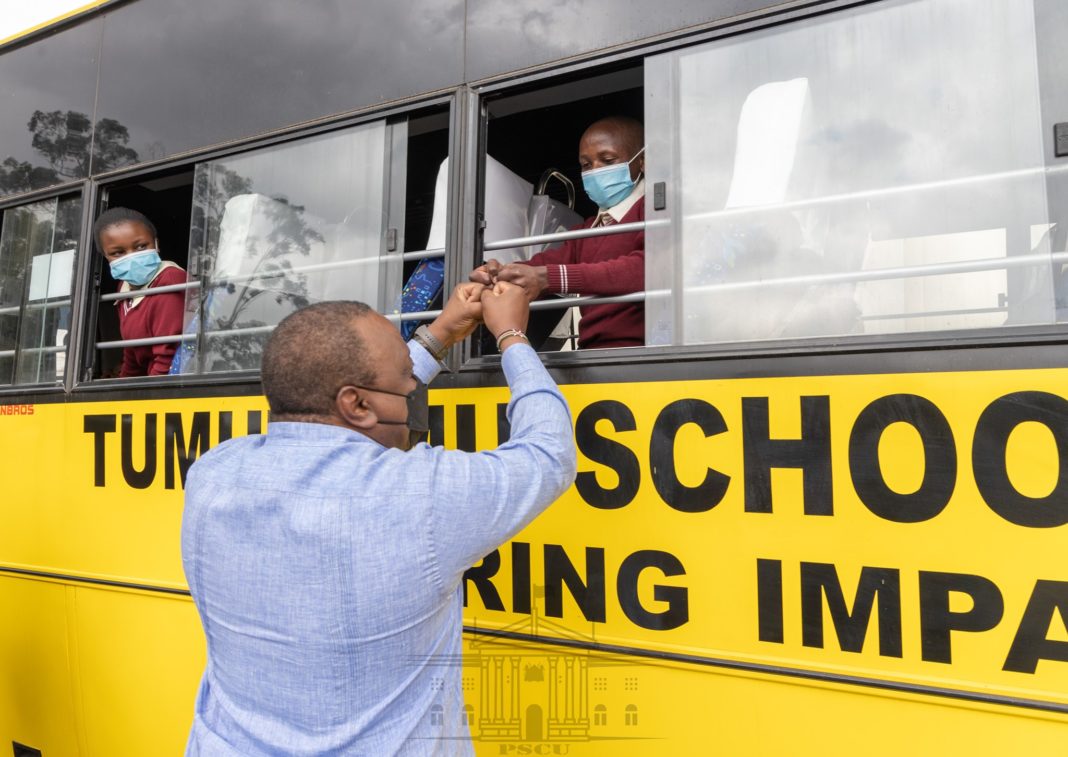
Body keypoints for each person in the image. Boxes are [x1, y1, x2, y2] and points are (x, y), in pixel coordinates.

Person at [181, 282, 576, 755]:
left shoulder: (212, 474)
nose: (414, 387)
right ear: (357, 405)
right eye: (407, 378)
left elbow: (355, 389)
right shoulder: (422, 496)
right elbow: (548, 453)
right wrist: (511, 333)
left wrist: (442, 331)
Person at [471, 116, 646, 349]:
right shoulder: (588, 229)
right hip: (592, 354)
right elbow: (542, 265)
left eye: (607, 160)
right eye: (586, 165)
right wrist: (500, 274)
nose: (595, 171)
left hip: (641, 355)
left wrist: (549, 278)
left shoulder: (653, 209)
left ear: (642, 161)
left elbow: (646, 269)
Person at [93, 207, 187, 376]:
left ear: (156, 243)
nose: (132, 257)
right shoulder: (124, 288)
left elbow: (168, 357)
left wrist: (148, 398)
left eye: (141, 246)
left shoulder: (171, 282)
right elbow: (132, 353)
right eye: (118, 253)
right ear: (105, 256)